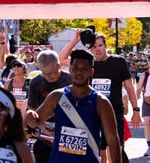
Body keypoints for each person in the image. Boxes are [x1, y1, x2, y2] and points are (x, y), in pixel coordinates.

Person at [59, 29, 141, 162]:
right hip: (94, 114)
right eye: (94, 47)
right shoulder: (88, 64)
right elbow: (61, 59)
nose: (97, 49)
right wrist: (75, 40)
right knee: (100, 154)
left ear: (105, 46)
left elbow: (130, 87)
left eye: (100, 45)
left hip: (114, 114)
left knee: (116, 151)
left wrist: (136, 110)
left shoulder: (118, 61)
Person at [26, 49, 121, 162]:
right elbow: (35, 121)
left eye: (84, 68)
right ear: (70, 70)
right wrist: (29, 114)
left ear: (91, 72)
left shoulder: (101, 102)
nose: (79, 72)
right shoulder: (56, 96)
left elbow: (113, 141)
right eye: (76, 67)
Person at [27, 49, 72, 163]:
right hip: (45, 136)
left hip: (68, 135)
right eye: (45, 73)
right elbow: (32, 110)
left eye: (52, 72)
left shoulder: (70, 80)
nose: (49, 77)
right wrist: (41, 126)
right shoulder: (35, 83)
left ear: (59, 66)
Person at [136, 60, 150, 156]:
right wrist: (135, 106)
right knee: (147, 121)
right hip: (147, 101)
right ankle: (149, 147)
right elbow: (138, 89)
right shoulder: (144, 75)